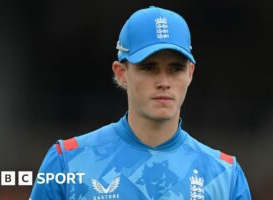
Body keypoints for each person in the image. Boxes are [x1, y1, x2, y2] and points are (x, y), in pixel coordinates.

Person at [30, 6, 251, 200]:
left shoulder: (225, 175)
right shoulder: (68, 162)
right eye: (149, 67)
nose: (164, 82)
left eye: (176, 69)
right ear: (121, 73)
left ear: (190, 73)